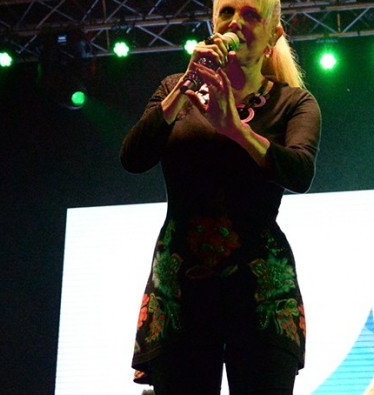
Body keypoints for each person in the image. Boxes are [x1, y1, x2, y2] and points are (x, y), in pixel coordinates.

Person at [120, 0, 321, 391]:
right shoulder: (173, 90)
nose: (235, 23)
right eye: (226, 12)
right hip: (181, 290)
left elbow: (299, 173)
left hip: (261, 292)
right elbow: (132, 157)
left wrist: (235, 129)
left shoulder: (293, 102)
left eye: (250, 15)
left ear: (272, 36)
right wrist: (186, 84)